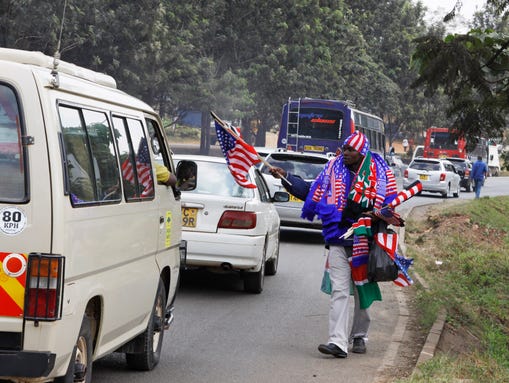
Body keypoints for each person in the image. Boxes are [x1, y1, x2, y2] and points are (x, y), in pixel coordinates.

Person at [269, 131, 398, 358]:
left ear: (362, 153)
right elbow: (312, 191)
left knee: (361, 291)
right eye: (345, 149)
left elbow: (390, 205)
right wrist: (286, 178)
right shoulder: (333, 170)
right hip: (338, 239)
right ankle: (337, 342)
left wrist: (375, 214)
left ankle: (359, 335)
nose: (346, 153)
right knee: (339, 290)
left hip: (365, 240)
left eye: (351, 150)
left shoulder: (380, 173)